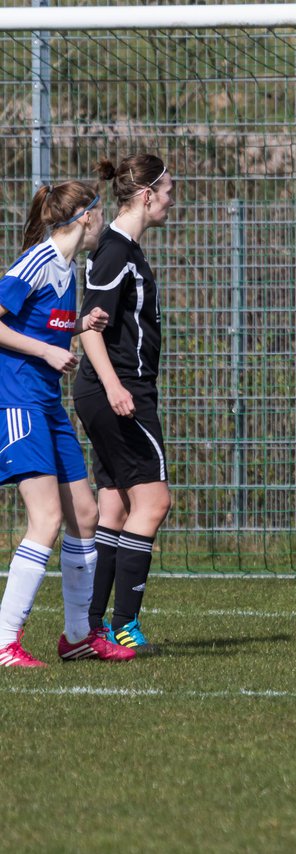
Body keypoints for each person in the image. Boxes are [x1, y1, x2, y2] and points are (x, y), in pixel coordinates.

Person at [0, 181, 136, 666]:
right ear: (86, 216)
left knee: (84, 516)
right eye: (100, 211)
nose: (103, 219)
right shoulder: (36, 261)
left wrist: (78, 326)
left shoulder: (68, 267)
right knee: (47, 519)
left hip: (48, 406)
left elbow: (39, 323)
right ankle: (4, 642)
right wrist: (48, 350)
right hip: (17, 403)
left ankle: (77, 636)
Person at [73, 154, 176, 652]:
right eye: (169, 189)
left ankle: (91, 629)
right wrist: (116, 387)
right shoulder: (116, 251)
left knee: (114, 506)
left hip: (112, 389)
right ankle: (125, 626)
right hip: (119, 390)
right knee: (154, 502)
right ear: (147, 195)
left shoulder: (124, 249)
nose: (173, 199)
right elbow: (88, 329)